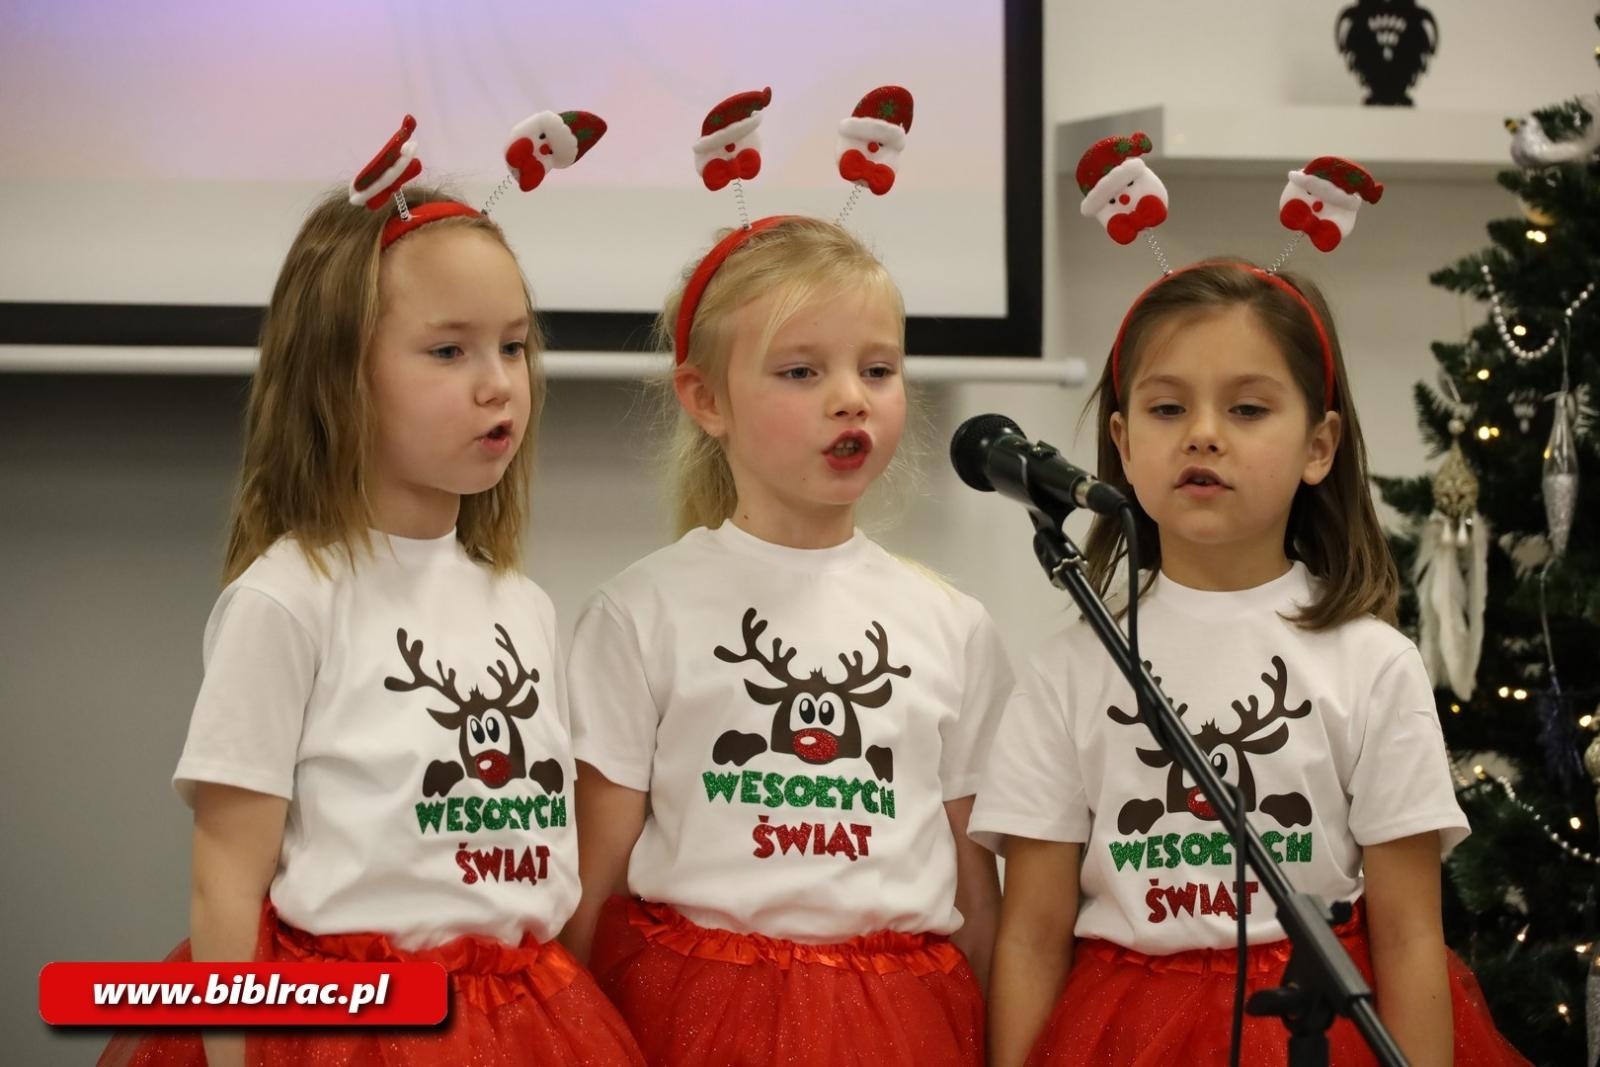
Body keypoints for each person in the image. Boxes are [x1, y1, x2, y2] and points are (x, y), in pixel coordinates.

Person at [100, 185, 643, 1067]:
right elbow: (225, 877)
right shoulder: (289, 600)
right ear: (340, 373)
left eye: (512, 345)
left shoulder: (526, 605)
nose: (498, 383)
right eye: (448, 350)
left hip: (524, 1026)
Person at [972, 259, 1529, 1066]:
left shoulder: (1374, 663)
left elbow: (1409, 933)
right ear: (1123, 443)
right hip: (1124, 1032)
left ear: (1319, 445)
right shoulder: (1067, 671)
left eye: (1246, 407)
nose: (1203, 432)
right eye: (1168, 407)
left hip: (1317, 1025)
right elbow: (1030, 935)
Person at [561, 215, 1010, 1066]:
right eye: (802, 371)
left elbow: (975, 898)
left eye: (877, 369)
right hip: (695, 1019)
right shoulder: (640, 611)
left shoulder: (954, 626)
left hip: (899, 1028)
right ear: (707, 400)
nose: (850, 397)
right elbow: (593, 878)